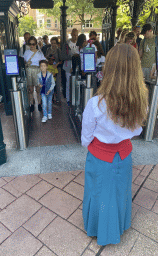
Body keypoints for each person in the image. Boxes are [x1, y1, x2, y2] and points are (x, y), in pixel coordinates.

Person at [81, 43, 149, 246]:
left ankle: (96, 227)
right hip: (124, 154)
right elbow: (137, 131)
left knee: (98, 191)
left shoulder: (96, 103)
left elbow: (86, 138)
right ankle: (119, 225)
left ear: (108, 69)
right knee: (121, 191)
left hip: (100, 157)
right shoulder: (141, 101)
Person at [24, 36, 46, 112]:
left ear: (36, 44)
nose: (32, 46)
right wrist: (26, 63)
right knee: (30, 89)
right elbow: (23, 62)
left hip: (37, 70)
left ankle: (39, 104)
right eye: (30, 44)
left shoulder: (39, 53)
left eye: (33, 44)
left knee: (38, 89)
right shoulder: (26, 52)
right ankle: (32, 104)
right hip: (29, 70)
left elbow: (44, 61)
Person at [61, 28, 79, 105]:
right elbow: (62, 56)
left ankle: (76, 100)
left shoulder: (79, 43)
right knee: (68, 83)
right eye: (74, 35)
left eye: (76, 35)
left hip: (77, 66)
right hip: (68, 66)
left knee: (77, 83)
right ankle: (68, 99)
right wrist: (72, 56)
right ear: (71, 34)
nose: (75, 36)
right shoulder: (66, 44)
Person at [46, 37, 62, 104]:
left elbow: (61, 60)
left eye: (54, 43)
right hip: (49, 68)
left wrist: (56, 64)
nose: (53, 44)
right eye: (52, 43)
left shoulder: (58, 50)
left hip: (57, 68)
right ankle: (50, 99)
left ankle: (58, 99)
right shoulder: (48, 49)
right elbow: (45, 57)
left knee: (57, 84)